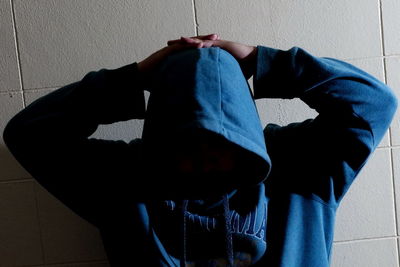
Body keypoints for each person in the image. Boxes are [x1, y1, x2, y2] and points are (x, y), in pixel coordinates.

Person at [3, 33, 397, 266]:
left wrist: (262, 62)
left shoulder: (297, 166)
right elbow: (29, 135)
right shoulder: (127, 179)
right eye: (187, 139)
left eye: (222, 139)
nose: (206, 158)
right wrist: (135, 78)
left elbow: (373, 103)